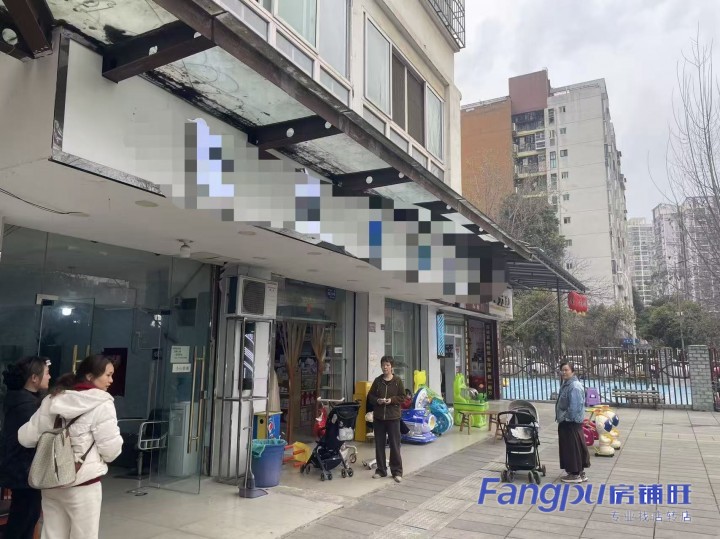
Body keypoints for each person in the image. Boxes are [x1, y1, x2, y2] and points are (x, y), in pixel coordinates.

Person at [19, 355, 124, 539]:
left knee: (52, 534)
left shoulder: (52, 399)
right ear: (90, 376)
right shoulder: (102, 404)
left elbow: (25, 437)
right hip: (83, 483)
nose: (111, 380)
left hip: (51, 481)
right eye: (108, 375)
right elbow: (111, 451)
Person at [0, 356, 51, 539]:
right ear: (34, 378)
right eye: (46, 373)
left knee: (25, 519)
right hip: (24, 471)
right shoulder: (26, 406)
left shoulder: (21, 400)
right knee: (23, 521)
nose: (49, 377)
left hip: (22, 469)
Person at [367, 356, 405, 483]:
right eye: (383, 365)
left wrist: (391, 400)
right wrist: (377, 400)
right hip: (379, 418)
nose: (385, 367)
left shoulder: (397, 381)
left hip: (393, 417)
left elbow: (402, 397)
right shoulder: (377, 381)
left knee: (395, 445)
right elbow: (370, 396)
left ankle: (397, 472)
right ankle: (381, 470)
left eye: (387, 365)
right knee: (379, 445)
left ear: (391, 367)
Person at [555, 362, 590, 483]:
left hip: (570, 422)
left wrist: (567, 418)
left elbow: (574, 407)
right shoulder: (567, 384)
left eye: (566, 370)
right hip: (569, 422)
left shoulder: (574, 386)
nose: (564, 372)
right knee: (575, 447)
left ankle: (575, 474)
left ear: (572, 371)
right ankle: (579, 472)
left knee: (572, 448)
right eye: (562, 370)